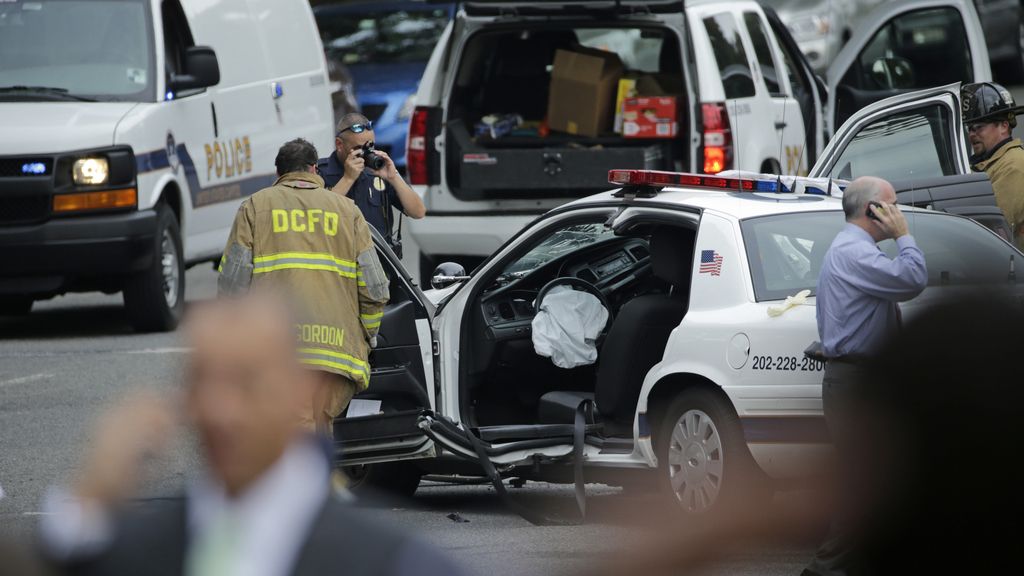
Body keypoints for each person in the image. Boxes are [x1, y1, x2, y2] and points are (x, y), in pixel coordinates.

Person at [37, 294, 463, 576]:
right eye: (202, 382)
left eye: (246, 383)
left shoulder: (393, 564)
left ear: (302, 388)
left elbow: (234, 268)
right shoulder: (132, 550)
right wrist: (90, 495)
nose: (220, 410)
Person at [218, 138, 390, 434]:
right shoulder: (347, 211)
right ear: (314, 169)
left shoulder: (255, 207)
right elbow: (375, 289)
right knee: (318, 435)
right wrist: (368, 337)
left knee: (294, 437)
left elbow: (233, 286)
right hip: (336, 352)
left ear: (279, 174)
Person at [803, 176, 928, 576]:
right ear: (874, 210)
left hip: (859, 381)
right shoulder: (855, 253)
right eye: (893, 205)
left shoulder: (851, 250)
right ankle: (824, 570)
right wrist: (904, 237)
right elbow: (912, 279)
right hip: (857, 384)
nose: (899, 212)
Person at [317, 113, 426, 256]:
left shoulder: (377, 172)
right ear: (339, 144)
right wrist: (348, 179)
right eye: (358, 148)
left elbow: (418, 212)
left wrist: (394, 178)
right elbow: (318, 217)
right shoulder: (320, 172)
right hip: (339, 262)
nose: (366, 153)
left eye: (370, 146)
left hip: (378, 266)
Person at [962, 82, 1024, 250]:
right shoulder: (993, 162)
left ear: (1004, 126)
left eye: (979, 127)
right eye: (970, 128)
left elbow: (993, 228)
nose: (972, 134)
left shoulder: (1013, 165)